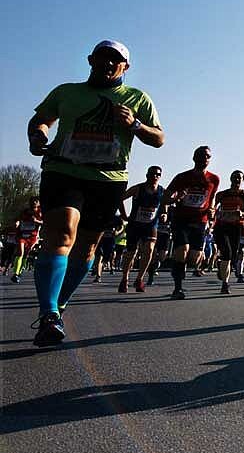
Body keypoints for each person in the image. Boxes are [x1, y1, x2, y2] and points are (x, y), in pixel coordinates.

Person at [26, 40, 163, 345]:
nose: (108, 63)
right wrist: (37, 136)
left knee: (87, 247)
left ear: (126, 67)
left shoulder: (137, 98)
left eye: (115, 59)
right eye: (102, 57)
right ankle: (48, 313)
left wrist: (135, 124)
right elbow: (41, 120)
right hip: (63, 171)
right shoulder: (67, 92)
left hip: (108, 179)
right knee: (63, 232)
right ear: (90, 60)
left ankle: (59, 304)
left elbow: (158, 138)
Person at [163, 146, 220, 300]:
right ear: (194, 158)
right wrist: (176, 198)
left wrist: (212, 210)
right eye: (201, 155)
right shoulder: (182, 177)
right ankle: (178, 287)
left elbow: (212, 198)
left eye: (207, 156)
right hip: (181, 219)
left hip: (200, 221)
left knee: (194, 258)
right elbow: (165, 198)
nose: (205, 158)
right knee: (182, 250)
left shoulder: (214, 179)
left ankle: (178, 267)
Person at [117, 166, 164, 292]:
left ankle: (139, 279)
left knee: (149, 250)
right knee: (131, 253)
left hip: (151, 225)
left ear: (160, 177)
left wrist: (164, 213)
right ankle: (125, 278)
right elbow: (120, 198)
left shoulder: (161, 191)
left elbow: (166, 202)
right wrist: (123, 214)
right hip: (135, 225)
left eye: (157, 174)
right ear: (147, 175)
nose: (155, 176)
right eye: (152, 174)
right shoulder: (138, 188)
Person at [211, 170, 244, 295]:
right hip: (221, 226)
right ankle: (225, 284)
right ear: (230, 178)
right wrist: (213, 213)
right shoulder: (222, 194)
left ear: (243, 180)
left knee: (232, 257)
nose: (237, 180)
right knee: (227, 253)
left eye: (239, 178)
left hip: (236, 228)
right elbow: (212, 207)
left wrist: (243, 214)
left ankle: (221, 265)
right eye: (235, 177)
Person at [9, 197, 43, 284]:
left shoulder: (40, 212)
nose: (34, 203)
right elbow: (17, 218)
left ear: (38, 204)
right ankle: (15, 274)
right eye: (32, 201)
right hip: (22, 235)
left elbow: (45, 222)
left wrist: (36, 221)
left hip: (32, 237)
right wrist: (17, 222)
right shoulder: (25, 211)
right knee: (20, 252)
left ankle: (20, 272)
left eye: (36, 201)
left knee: (26, 254)